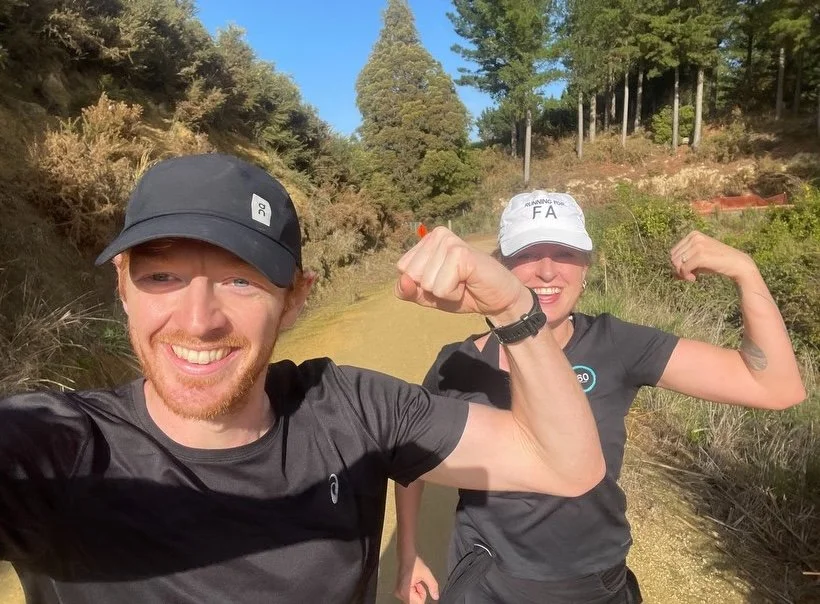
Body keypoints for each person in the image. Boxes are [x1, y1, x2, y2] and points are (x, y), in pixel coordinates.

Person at [0, 155, 606, 604]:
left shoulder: (349, 409)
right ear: (123, 289)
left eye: (241, 281)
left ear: (294, 301)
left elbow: (566, 464)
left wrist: (513, 309)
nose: (198, 320)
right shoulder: (58, 450)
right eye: (162, 277)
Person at [394, 190, 806, 604]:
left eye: (565, 253)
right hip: (488, 580)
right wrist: (408, 554)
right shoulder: (458, 362)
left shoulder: (616, 343)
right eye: (527, 253)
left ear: (586, 267)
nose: (547, 270)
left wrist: (746, 272)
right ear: (501, 265)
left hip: (593, 581)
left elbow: (775, 387)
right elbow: (411, 460)